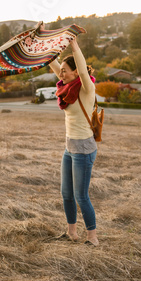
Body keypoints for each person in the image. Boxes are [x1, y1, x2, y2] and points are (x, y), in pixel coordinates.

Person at [49, 38, 99, 247]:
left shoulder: (86, 89)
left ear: (76, 72)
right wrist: (42, 49)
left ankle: (92, 238)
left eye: (64, 71)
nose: (60, 74)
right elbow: (52, 62)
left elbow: (82, 68)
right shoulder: (66, 88)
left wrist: (74, 46)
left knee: (81, 196)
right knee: (66, 194)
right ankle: (71, 232)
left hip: (84, 150)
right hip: (69, 149)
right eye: (60, 71)